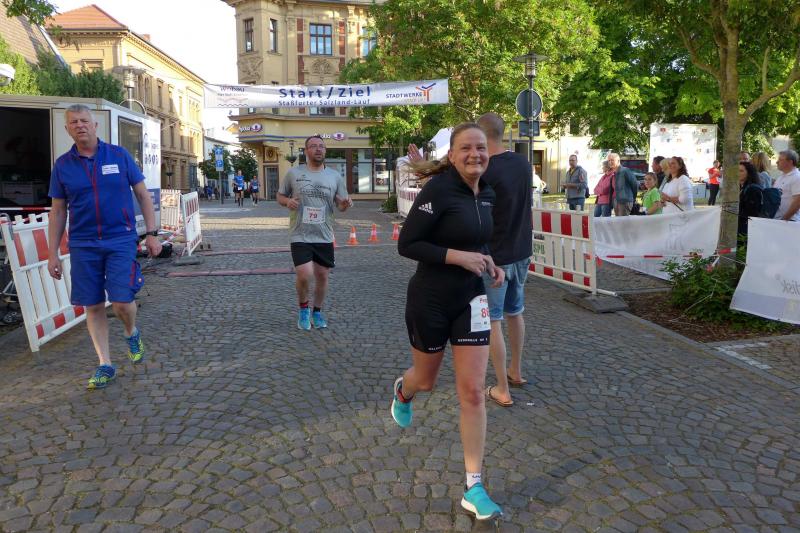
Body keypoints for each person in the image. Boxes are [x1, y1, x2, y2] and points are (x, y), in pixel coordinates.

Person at [392, 123, 505, 521]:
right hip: (431, 299)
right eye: (466, 148)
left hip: (471, 299)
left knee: (473, 392)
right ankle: (404, 391)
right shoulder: (438, 191)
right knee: (425, 380)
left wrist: (489, 261)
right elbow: (408, 244)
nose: (475, 154)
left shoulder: (487, 193)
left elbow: (477, 239)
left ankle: (474, 486)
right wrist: (459, 257)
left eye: (481, 147)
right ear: (453, 155)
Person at [47, 104, 162, 389]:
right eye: (74, 122)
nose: (80, 125)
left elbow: (143, 195)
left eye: (84, 120)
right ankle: (105, 364)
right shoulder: (63, 165)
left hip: (120, 239)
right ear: (67, 129)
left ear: (94, 125)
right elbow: (58, 211)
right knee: (93, 304)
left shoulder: (118, 156)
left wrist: (152, 233)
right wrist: (52, 253)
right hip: (83, 244)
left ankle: (131, 332)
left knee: (122, 301)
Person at [474, 113, 532, 408]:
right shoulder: (523, 163)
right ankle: (516, 371)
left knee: (493, 320)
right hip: (521, 249)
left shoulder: (484, 169)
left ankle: (501, 387)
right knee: (515, 312)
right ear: (503, 131)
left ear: (481, 135)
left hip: (494, 256)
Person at [277, 135, 352, 330]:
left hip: (324, 234)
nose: (318, 149)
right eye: (314, 146)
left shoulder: (334, 176)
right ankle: (304, 310)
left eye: (321, 146)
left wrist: (344, 205)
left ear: (325, 150)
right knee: (304, 274)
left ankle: (317, 312)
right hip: (300, 233)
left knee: (322, 276)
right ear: (306, 151)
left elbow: (341, 205)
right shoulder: (294, 173)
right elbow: (280, 195)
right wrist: (287, 201)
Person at [737, 161, 763, 238]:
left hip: (748, 230)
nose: (737, 173)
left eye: (741, 171)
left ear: (749, 173)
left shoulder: (753, 189)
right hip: (743, 227)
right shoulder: (742, 187)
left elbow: (752, 213)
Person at [774, 149, 800, 222]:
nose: (777, 162)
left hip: (790, 221)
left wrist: (784, 219)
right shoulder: (781, 177)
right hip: (778, 219)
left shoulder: (797, 177)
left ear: (790, 162)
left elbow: (798, 202)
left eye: (780, 160)